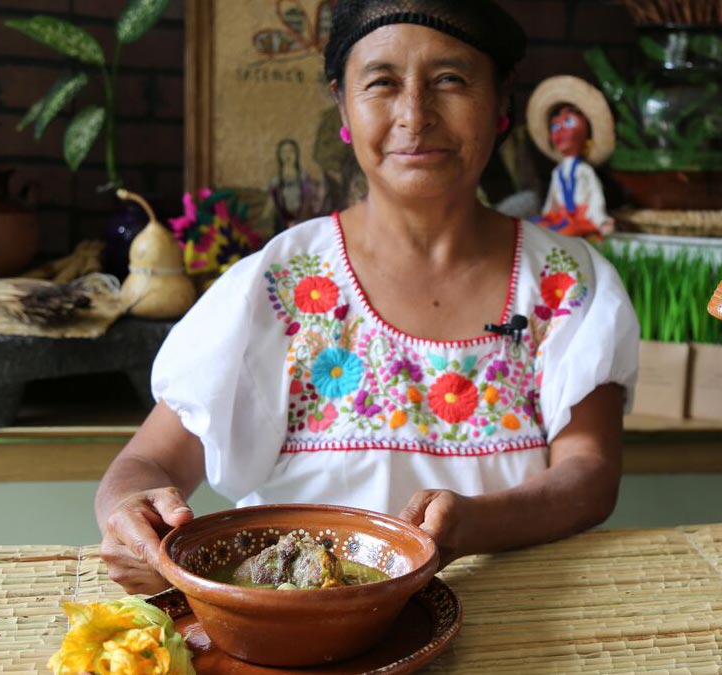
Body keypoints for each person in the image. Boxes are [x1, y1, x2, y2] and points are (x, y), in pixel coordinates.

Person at [96, 0, 640, 595]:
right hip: (301, 635)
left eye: (451, 81)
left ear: (501, 101)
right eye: (382, 83)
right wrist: (132, 514)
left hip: (512, 618)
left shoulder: (564, 280)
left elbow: (589, 476)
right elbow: (149, 463)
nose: (415, 114)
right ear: (343, 105)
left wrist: (474, 524)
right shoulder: (279, 284)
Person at [527, 75, 616, 239]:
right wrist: (547, 214)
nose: (560, 131)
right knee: (535, 228)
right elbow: (552, 199)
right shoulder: (557, 172)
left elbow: (595, 196)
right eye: (555, 125)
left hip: (581, 217)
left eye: (568, 123)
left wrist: (600, 219)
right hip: (562, 216)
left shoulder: (584, 170)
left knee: (568, 234)